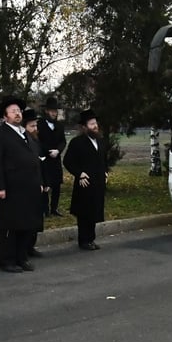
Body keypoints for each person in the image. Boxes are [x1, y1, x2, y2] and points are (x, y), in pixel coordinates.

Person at [0, 96, 43, 273]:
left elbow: (35, 160)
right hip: (10, 188)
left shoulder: (25, 134)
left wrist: (39, 182)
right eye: (13, 111)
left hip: (29, 188)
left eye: (19, 111)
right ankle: (7, 261)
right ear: (5, 116)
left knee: (26, 225)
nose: (17, 114)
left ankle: (22, 257)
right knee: (9, 226)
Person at [63, 108, 108, 251]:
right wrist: (79, 173)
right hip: (85, 182)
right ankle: (84, 240)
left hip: (98, 182)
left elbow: (103, 160)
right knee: (84, 213)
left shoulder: (100, 141)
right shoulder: (77, 142)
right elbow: (68, 161)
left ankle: (91, 239)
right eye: (91, 124)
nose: (95, 126)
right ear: (84, 127)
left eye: (95, 123)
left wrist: (105, 172)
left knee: (94, 212)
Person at [21, 107, 48, 258]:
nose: (35, 129)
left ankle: (31, 246)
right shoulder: (23, 142)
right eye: (32, 126)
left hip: (40, 183)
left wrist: (46, 182)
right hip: (28, 185)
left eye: (36, 126)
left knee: (37, 218)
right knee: (28, 218)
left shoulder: (37, 142)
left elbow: (43, 163)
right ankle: (24, 247)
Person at [38, 96, 66, 217]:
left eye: (56, 111)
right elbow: (38, 141)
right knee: (45, 184)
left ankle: (54, 208)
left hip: (56, 159)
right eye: (52, 111)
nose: (54, 113)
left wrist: (58, 151)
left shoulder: (59, 125)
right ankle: (45, 210)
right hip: (44, 159)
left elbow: (63, 141)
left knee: (56, 185)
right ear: (46, 111)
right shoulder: (39, 124)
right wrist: (48, 151)